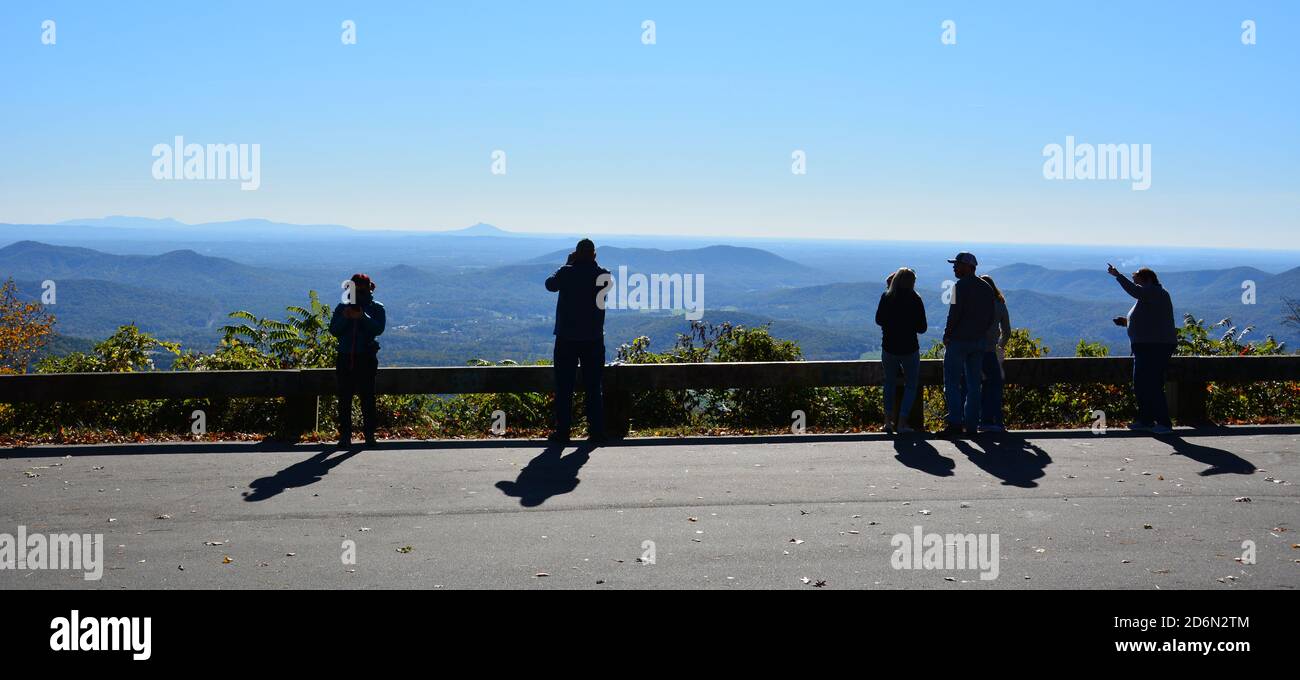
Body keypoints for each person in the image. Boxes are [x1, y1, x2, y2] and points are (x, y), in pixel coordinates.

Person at [545, 239, 611, 443]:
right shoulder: (604, 275)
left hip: (567, 338)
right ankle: (596, 432)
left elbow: (550, 285)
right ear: (594, 255)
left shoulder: (566, 272)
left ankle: (563, 432)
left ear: (576, 254)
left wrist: (568, 263)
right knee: (593, 387)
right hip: (593, 338)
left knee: (564, 387)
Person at [1108, 263, 1177, 434]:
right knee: (1141, 384)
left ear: (1147, 279)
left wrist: (1118, 275)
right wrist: (1126, 322)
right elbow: (1148, 321)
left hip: (1154, 347)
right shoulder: (1150, 296)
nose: (1134, 279)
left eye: (1136, 276)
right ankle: (1146, 420)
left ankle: (1163, 423)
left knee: (1151, 384)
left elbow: (1135, 291)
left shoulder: (1155, 292)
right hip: (1147, 346)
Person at [938, 252, 995, 437]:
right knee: (973, 385)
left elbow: (954, 314)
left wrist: (947, 335)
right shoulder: (986, 288)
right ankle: (971, 426)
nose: (954, 267)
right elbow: (991, 317)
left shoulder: (959, 286)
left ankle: (955, 423)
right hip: (978, 342)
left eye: (958, 264)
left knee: (952, 383)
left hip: (959, 342)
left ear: (969, 267)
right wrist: (980, 334)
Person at [329, 273, 386, 447]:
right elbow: (334, 331)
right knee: (345, 398)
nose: (359, 294)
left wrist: (362, 317)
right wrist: (346, 318)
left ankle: (369, 435)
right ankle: (345, 435)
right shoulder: (342, 308)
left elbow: (378, 330)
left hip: (366, 358)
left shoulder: (377, 308)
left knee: (367, 397)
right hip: (346, 357)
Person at [875, 267, 927, 434]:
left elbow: (879, 320)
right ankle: (902, 423)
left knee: (889, 383)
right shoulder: (916, 299)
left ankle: (887, 422)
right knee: (911, 385)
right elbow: (922, 328)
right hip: (910, 348)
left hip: (889, 347)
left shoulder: (887, 297)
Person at [977, 275, 1012, 432]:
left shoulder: (975, 304)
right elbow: (1007, 331)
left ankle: (974, 419)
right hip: (990, 351)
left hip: (972, 350)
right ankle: (992, 421)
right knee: (995, 385)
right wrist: (1000, 346)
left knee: (974, 386)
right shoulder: (1000, 305)